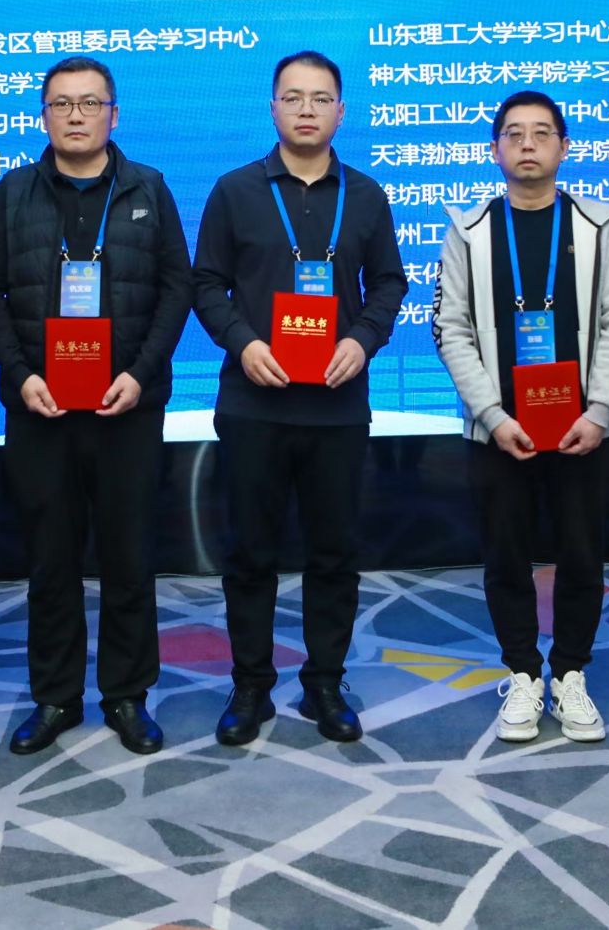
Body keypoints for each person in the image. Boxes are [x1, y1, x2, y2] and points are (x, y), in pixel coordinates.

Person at [0, 58, 193, 756]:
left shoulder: (148, 189)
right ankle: (56, 696)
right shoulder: (13, 193)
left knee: (130, 557)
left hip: (126, 408)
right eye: (61, 103)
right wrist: (19, 375)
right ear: (43, 115)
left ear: (113, 115)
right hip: (40, 411)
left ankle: (127, 694)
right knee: (51, 561)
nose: (75, 115)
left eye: (90, 103)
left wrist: (140, 374)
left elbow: (176, 288)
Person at [192, 51, 408, 746]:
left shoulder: (366, 195)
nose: (306, 109)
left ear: (341, 111)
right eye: (293, 97)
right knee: (250, 551)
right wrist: (244, 343)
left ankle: (324, 683)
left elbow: (389, 283)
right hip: (253, 402)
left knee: (333, 551)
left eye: (320, 98)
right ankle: (250, 686)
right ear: (273, 108)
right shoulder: (235, 190)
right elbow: (205, 282)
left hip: (337, 407)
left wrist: (363, 340)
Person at [432, 91, 609, 745]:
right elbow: (451, 328)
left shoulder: (601, 225)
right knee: (505, 554)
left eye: (542, 133)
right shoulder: (468, 230)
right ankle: (522, 672)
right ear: (494, 149)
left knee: (582, 553)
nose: (527, 144)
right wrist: (492, 415)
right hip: (500, 430)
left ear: (564, 147)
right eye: (514, 133)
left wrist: (599, 411)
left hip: (584, 429)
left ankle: (571, 672)